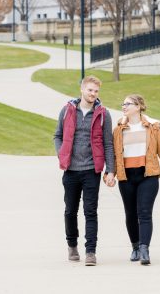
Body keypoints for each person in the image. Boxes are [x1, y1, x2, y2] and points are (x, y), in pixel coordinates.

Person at [53, 75, 116, 266]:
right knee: (70, 211)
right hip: (70, 171)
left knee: (90, 211)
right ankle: (72, 245)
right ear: (82, 89)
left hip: (91, 171)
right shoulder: (67, 110)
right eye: (90, 90)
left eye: (96, 91)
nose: (93, 94)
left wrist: (110, 170)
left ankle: (90, 252)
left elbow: (108, 144)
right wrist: (61, 153)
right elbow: (57, 136)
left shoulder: (103, 114)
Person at [113, 94, 160, 266]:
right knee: (130, 214)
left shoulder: (153, 127)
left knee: (144, 213)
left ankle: (144, 249)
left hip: (148, 176)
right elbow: (114, 154)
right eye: (123, 104)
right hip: (126, 177)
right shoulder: (119, 128)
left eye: (127, 104)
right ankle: (135, 246)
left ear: (138, 106)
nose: (124, 106)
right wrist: (110, 174)